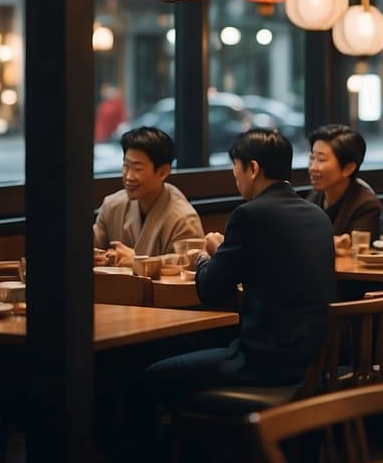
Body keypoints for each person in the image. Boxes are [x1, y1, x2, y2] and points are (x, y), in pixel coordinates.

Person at [143, 129, 335, 399]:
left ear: (253, 168)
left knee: (151, 374)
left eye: (235, 169)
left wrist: (204, 255)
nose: (235, 178)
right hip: (313, 360)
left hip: (265, 362)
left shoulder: (250, 215)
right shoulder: (317, 215)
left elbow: (211, 289)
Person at [93, 127, 204, 268]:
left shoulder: (183, 218)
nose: (128, 176)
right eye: (126, 166)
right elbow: (88, 248)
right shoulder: (112, 206)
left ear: (163, 172)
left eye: (137, 169)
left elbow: (190, 264)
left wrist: (138, 262)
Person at [306, 124, 382, 249]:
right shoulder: (313, 198)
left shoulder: (366, 205)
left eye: (321, 159)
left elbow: (356, 252)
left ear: (348, 168)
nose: (312, 167)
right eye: (312, 158)